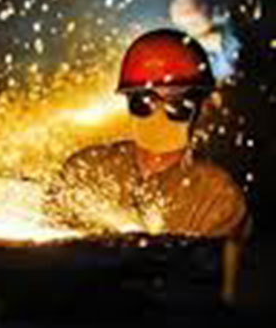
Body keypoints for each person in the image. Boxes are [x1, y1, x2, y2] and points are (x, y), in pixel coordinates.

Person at [49, 28, 249, 304]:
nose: (158, 114)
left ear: (201, 107)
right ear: (128, 102)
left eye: (177, 104)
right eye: (143, 102)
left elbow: (213, 295)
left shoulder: (217, 196)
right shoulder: (87, 169)